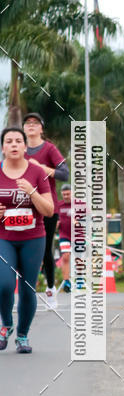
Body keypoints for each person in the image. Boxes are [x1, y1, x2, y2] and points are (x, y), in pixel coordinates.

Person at [0, 127, 54, 353]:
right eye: (9, 141)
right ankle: (7, 326)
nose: (13, 144)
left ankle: (22, 336)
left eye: (18, 141)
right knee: (4, 285)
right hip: (4, 237)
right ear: (3, 147)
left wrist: (32, 192)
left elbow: (49, 210)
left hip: (33, 238)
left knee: (27, 289)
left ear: (25, 147)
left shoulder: (36, 172)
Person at [23, 113, 68, 309]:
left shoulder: (49, 149)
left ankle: (50, 288)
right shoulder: (19, 150)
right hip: (23, 207)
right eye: (27, 123)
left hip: (47, 206)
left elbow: (64, 173)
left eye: (35, 123)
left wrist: (41, 168)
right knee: (22, 248)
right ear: (24, 129)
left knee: (44, 249)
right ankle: (27, 291)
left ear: (41, 129)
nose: (31, 126)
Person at [57, 184, 72, 292]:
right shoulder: (58, 205)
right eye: (64, 194)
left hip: (78, 236)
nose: (66, 196)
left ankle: (80, 280)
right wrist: (55, 224)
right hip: (64, 236)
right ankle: (66, 282)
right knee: (65, 256)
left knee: (79, 259)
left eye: (68, 194)